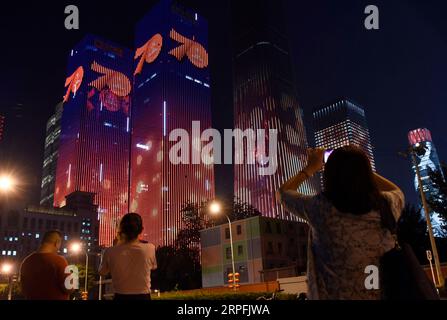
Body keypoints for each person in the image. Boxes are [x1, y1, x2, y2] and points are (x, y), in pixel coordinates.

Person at [277, 146, 405, 300]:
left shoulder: (321, 208)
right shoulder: (387, 205)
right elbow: (397, 191)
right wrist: (358, 167)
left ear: (329, 176)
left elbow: (283, 193)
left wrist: (310, 168)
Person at [99, 213, 157, 300]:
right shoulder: (150, 248)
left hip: (120, 297)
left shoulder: (110, 251)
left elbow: (102, 272)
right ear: (141, 230)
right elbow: (153, 266)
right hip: (143, 297)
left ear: (121, 230)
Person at [19, 230, 70, 300]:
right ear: (57, 243)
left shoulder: (27, 261)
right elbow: (69, 288)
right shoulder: (59, 261)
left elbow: (23, 289)